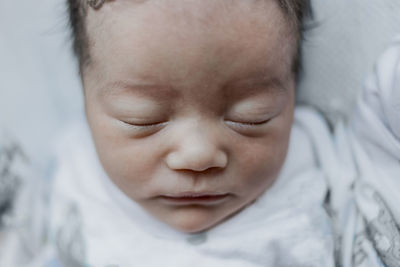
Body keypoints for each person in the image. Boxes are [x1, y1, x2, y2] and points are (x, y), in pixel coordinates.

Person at [1, 0, 399, 266]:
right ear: (86, 97)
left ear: (292, 91)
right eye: (144, 119)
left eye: (252, 117)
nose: (198, 155)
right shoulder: (69, 180)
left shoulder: (319, 168)